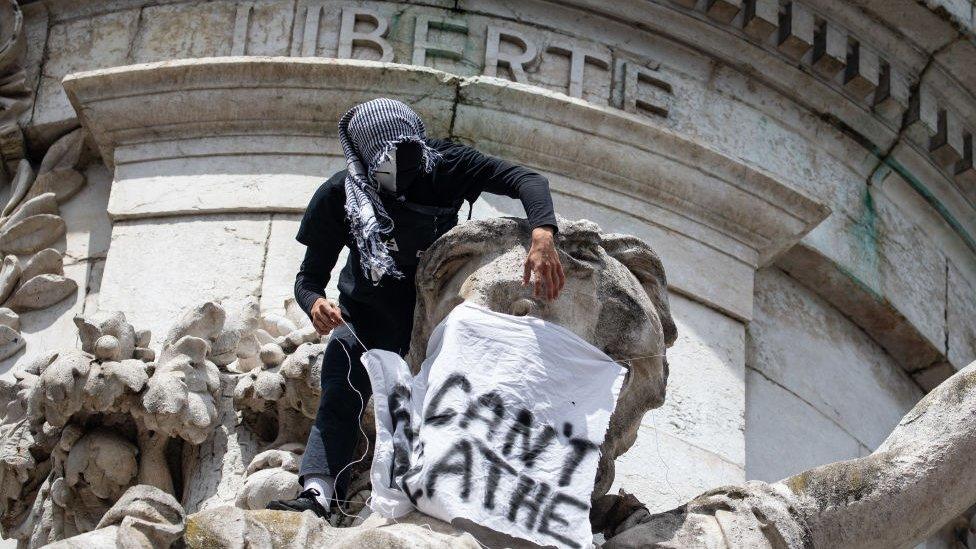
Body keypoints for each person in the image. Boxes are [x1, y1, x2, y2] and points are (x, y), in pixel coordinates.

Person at [266, 98, 564, 517]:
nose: (404, 168)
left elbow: (524, 178)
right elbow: (308, 277)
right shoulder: (340, 195)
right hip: (368, 315)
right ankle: (317, 492)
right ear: (369, 160)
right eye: (390, 160)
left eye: (410, 153)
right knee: (341, 384)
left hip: (437, 311)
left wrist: (542, 234)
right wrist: (315, 303)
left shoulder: (446, 164)